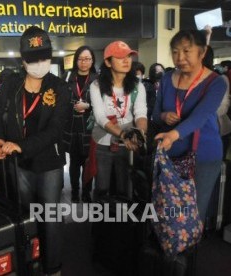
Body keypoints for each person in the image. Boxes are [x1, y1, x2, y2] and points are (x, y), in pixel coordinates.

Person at [0, 26, 71, 276]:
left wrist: (21, 146)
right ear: (23, 60)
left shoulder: (59, 87)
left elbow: (56, 130)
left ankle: (53, 267)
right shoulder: (12, 84)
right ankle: (28, 262)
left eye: (44, 57)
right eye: (33, 59)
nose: (40, 63)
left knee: (50, 216)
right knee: (26, 216)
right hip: (20, 164)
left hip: (49, 164)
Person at [153, 30, 227, 223]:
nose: (180, 57)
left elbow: (199, 117)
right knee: (169, 208)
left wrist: (172, 135)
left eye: (187, 51)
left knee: (194, 211)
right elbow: (155, 114)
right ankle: (169, 248)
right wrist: (163, 115)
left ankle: (188, 251)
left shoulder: (217, 82)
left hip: (204, 154)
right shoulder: (167, 78)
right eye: (175, 52)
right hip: (171, 153)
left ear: (202, 52)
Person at [89, 41, 148, 200]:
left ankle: (123, 223)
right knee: (102, 187)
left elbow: (141, 112)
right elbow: (100, 117)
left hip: (128, 144)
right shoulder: (96, 85)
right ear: (108, 62)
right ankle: (101, 222)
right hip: (103, 141)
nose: (126, 60)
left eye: (129, 56)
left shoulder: (137, 86)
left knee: (125, 187)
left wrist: (139, 134)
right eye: (120, 57)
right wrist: (123, 134)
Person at [62, 45, 98, 203]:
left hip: (89, 127)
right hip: (71, 127)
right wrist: (73, 106)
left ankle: (87, 192)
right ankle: (75, 191)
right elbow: (60, 101)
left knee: (88, 161)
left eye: (87, 59)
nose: (84, 62)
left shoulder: (98, 80)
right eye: (81, 59)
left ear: (92, 61)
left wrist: (88, 106)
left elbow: (104, 104)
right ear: (76, 60)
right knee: (74, 163)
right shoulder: (67, 77)